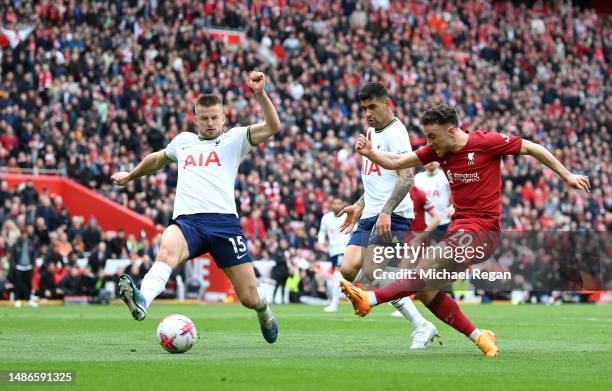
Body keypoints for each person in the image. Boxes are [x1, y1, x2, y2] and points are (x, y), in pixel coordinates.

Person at [341, 103, 590, 356]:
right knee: (428, 290)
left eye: (432, 136)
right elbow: (399, 161)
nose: (429, 142)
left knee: (427, 265)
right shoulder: (439, 151)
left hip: (484, 230)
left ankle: (369, 300)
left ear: (451, 131)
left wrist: (566, 174)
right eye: (427, 136)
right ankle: (481, 338)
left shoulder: (486, 142)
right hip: (459, 228)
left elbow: (531, 147)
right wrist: (371, 154)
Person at [111, 71, 282, 344]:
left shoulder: (235, 139)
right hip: (188, 222)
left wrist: (260, 93)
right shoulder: (184, 142)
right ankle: (142, 301)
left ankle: (264, 311)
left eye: (215, 117)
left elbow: (273, 127)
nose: (210, 123)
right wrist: (130, 175)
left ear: (224, 116)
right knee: (166, 251)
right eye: (204, 118)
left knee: (250, 298)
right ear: (195, 119)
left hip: (224, 224)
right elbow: (157, 160)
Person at [337, 82, 438, 349]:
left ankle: (421, 325)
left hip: (393, 215)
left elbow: (407, 177)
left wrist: (386, 212)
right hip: (371, 211)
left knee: (372, 271)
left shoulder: (397, 133)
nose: (368, 113)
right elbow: (375, 178)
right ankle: (403, 284)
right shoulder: (371, 131)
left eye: (373, 107)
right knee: (348, 269)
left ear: (387, 103)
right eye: (364, 108)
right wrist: (359, 204)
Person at [317, 197, 350, 312]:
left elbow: (355, 229)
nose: (336, 205)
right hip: (333, 251)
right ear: (331, 205)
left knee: (337, 274)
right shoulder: (326, 218)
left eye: (338, 203)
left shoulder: (347, 216)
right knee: (341, 277)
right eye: (334, 203)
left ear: (342, 204)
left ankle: (334, 304)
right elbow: (322, 231)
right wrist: (321, 242)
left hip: (345, 250)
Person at [414, 162, 453, 242]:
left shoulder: (446, 175)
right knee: (424, 252)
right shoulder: (417, 178)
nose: (431, 162)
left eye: (433, 159)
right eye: (427, 160)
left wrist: (452, 206)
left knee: (443, 251)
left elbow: (456, 193)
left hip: (444, 221)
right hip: (425, 224)